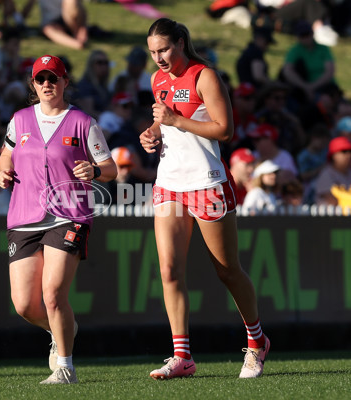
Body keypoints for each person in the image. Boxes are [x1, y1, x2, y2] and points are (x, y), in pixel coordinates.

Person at [139, 18, 270, 380]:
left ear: (181, 43)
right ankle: (182, 356)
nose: (159, 59)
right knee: (168, 270)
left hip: (206, 182)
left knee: (226, 270)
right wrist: (151, 133)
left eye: (163, 49)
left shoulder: (204, 76)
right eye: (152, 53)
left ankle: (257, 342)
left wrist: (176, 121)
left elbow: (224, 129)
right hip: (169, 182)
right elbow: (163, 121)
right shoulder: (157, 80)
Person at [0, 55, 116, 384]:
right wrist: (1, 171)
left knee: (52, 294)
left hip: (69, 214)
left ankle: (65, 366)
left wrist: (93, 170)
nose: (47, 84)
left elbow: (110, 168)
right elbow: (5, 155)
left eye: (54, 78)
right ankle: (63, 328)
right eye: (41, 79)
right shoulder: (19, 120)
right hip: (24, 216)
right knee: (23, 304)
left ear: (65, 82)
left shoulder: (82, 122)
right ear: (33, 85)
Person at [281, 21, 335, 104]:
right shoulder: (295, 50)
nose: (306, 38)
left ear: (312, 34)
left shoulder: (323, 49)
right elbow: (287, 70)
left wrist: (312, 87)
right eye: (302, 36)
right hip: (301, 89)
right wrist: (305, 87)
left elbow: (329, 72)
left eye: (307, 34)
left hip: (325, 87)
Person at [314, 136, 351, 205]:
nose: (349, 155)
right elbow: (333, 201)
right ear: (333, 155)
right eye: (344, 151)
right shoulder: (326, 174)